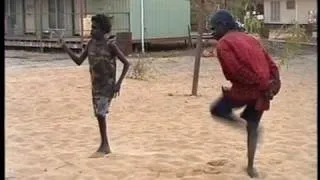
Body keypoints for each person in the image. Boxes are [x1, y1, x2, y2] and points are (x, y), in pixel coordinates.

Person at [208, 10, 281, 178]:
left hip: (248, 89)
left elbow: (236, 71)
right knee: (253, 126)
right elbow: (271, 64)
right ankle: (250, 168)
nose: (212, 32)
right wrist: (274, 85)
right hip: (264, 91)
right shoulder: (251, 39)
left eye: (214, 28)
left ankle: (242, 125)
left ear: (223, 25)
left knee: (217, 110)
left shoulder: (224, 44)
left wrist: (258, 83)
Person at [59, 14, 130, 158]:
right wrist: (65, 48)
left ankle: (105, 145)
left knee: (100, 113)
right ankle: (104, 144)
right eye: (91, 27)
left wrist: (118, 83)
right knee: (98, 114)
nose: (92, 30)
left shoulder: (111, 45)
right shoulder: (90, 44)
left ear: (103, 30)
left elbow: (126, 63)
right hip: (95, 86)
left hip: (108, 86)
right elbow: (79, 61)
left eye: (95, 28)